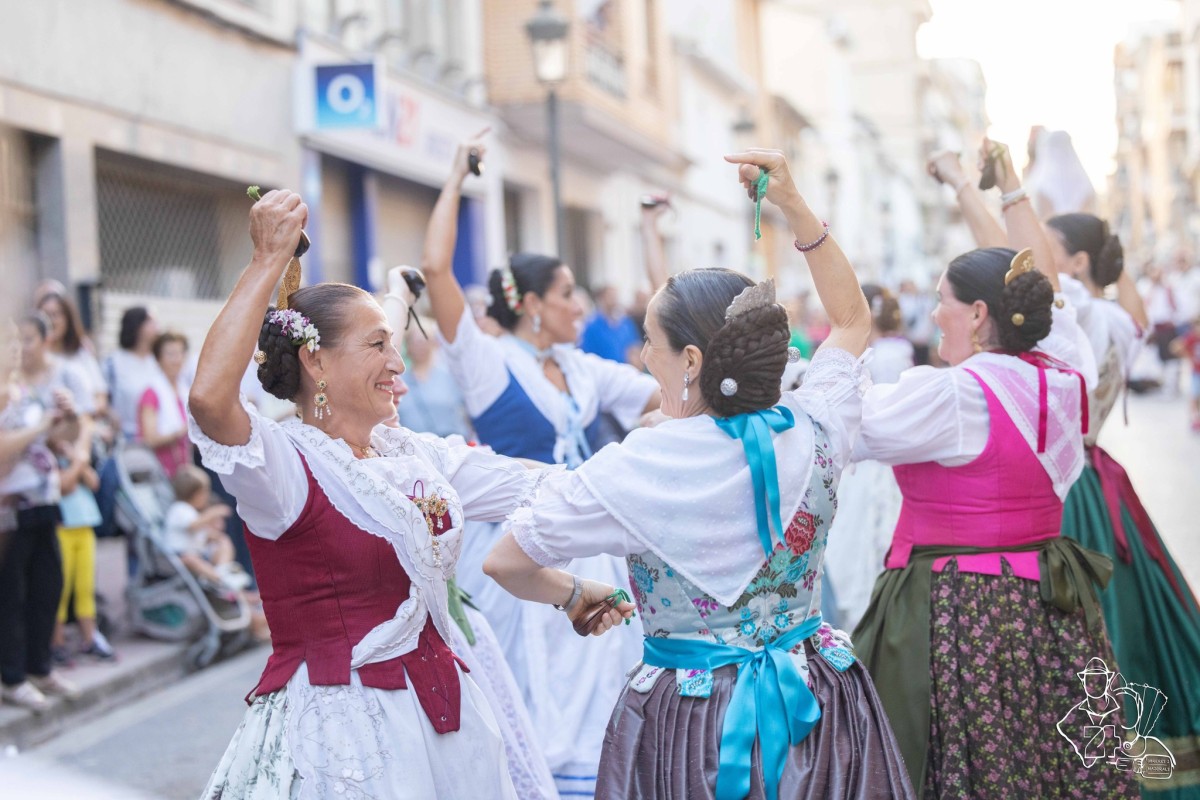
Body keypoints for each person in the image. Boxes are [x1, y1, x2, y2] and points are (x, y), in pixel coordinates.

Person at [484, 149, 915, 799]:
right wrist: (792, 204)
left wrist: (574, 595)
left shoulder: (635, 466)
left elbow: (505, 561)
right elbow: (853, 320)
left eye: (648, 342)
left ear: (688, 359)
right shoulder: (815, 423)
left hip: (694, 722)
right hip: (817, 695)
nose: (639, 354)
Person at [188, 188, 630, 798]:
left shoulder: (412, 454)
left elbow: (547, 486)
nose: (399, 363)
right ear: (316, 364)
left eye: (392, 344)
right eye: (378, 346)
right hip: (341, 741)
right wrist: (267, 261)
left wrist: (666, 468)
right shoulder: (283, 468)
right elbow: (211, 400)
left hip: (448, 719)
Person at [858, 139, 1134, 797]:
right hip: (1050, 597)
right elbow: (1042, 290)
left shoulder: (953, 395)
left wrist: (835, 346)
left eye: (943, 300)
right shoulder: (1065, 371)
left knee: (969, 762)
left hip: (959, 606)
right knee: (1054, 753)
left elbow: (850, 426)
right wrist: (991, 190)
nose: (934, 313)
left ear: (979, 315)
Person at [419, 133, 661, 794]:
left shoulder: (583, 368)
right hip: (511, 550)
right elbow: (436, 272)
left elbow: (672, 377)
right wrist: (454, 177)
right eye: (564, 294)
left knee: (596, 678)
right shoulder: (486, 364)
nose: (579, 306)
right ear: (529, 305)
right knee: (526, 689)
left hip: (585, 541)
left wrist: (650, 234)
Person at [1045, 213, 1200, 785]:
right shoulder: (1121, 319)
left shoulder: (1080, 314)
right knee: (1115, 622)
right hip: (1096, 476)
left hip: (1068, 488)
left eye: (1049, 247)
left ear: (1079, 264)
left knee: (1085, 628)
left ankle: (1089, 765)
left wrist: (992, 187)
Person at [1, 318, 82, 713]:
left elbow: (61, 439)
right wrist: (38, 428)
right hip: (9, 510)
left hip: (43, 502)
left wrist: (69, 417)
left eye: (18, 342)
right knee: (10, 596)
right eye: (9, 343)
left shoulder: (25, 390)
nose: (16, 349)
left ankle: (39, 667)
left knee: (47, 588)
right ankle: (12, 677)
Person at [821, 284, 912, 631]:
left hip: (871, 450)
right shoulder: (892, 349)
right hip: (868, 452)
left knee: (863, 534)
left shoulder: (885, 355)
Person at [50, 433, 115, 663]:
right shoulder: (49, 463)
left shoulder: (74, 461)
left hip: (84, 527)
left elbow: (93, 482)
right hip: (62, 529)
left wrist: (76, 460)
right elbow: (65, 486)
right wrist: (77, 460)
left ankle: (90, 638)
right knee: (61, 588)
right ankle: (55, 642)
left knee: (85, 587)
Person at [37, 292, 108, 419]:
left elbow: (100, 397)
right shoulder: (37, 357)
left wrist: (83, 416)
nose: (51, 321)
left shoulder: (82, 354)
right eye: (45, 316)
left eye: (55, 315)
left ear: (67, 318)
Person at [396, 322, 473, 439]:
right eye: (415, 341)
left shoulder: (450, 376)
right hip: (415, 449)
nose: (419, 346)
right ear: (408, 346)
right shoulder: (399, 382)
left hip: (452, 446)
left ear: (433, 343)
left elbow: (468, 412)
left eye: (423, 340)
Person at [137, 331, 191, 477]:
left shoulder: (184, 389)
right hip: (159, 471)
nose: (177, 359)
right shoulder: (151, 392)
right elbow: (149, 439)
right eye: (171, 354)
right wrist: (182, 431)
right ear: (158, 358)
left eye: (180, 353)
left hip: (184, 468)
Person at [103, 306, 160, 442]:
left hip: (159, 436)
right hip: (126, 436)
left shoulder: (158, 361)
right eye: (150, 322)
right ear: (137, 325)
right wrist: (111, 415)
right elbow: (102, 398)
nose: (156, 327)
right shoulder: (114, 362)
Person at [580, 286, 642, 365]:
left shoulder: (626, 323)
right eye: (610, 296)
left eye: (615, 296)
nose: (614, 299)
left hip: (625, 370)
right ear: (601, 298)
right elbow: (587, 353)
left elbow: (635, 345)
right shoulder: (591, 326)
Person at [1174, 316, 1200, 430]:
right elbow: (1175, 346)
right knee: (1194, 396)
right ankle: (1194, 419)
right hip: (1196, 373)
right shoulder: (1192, 338)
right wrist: (1188, 356)